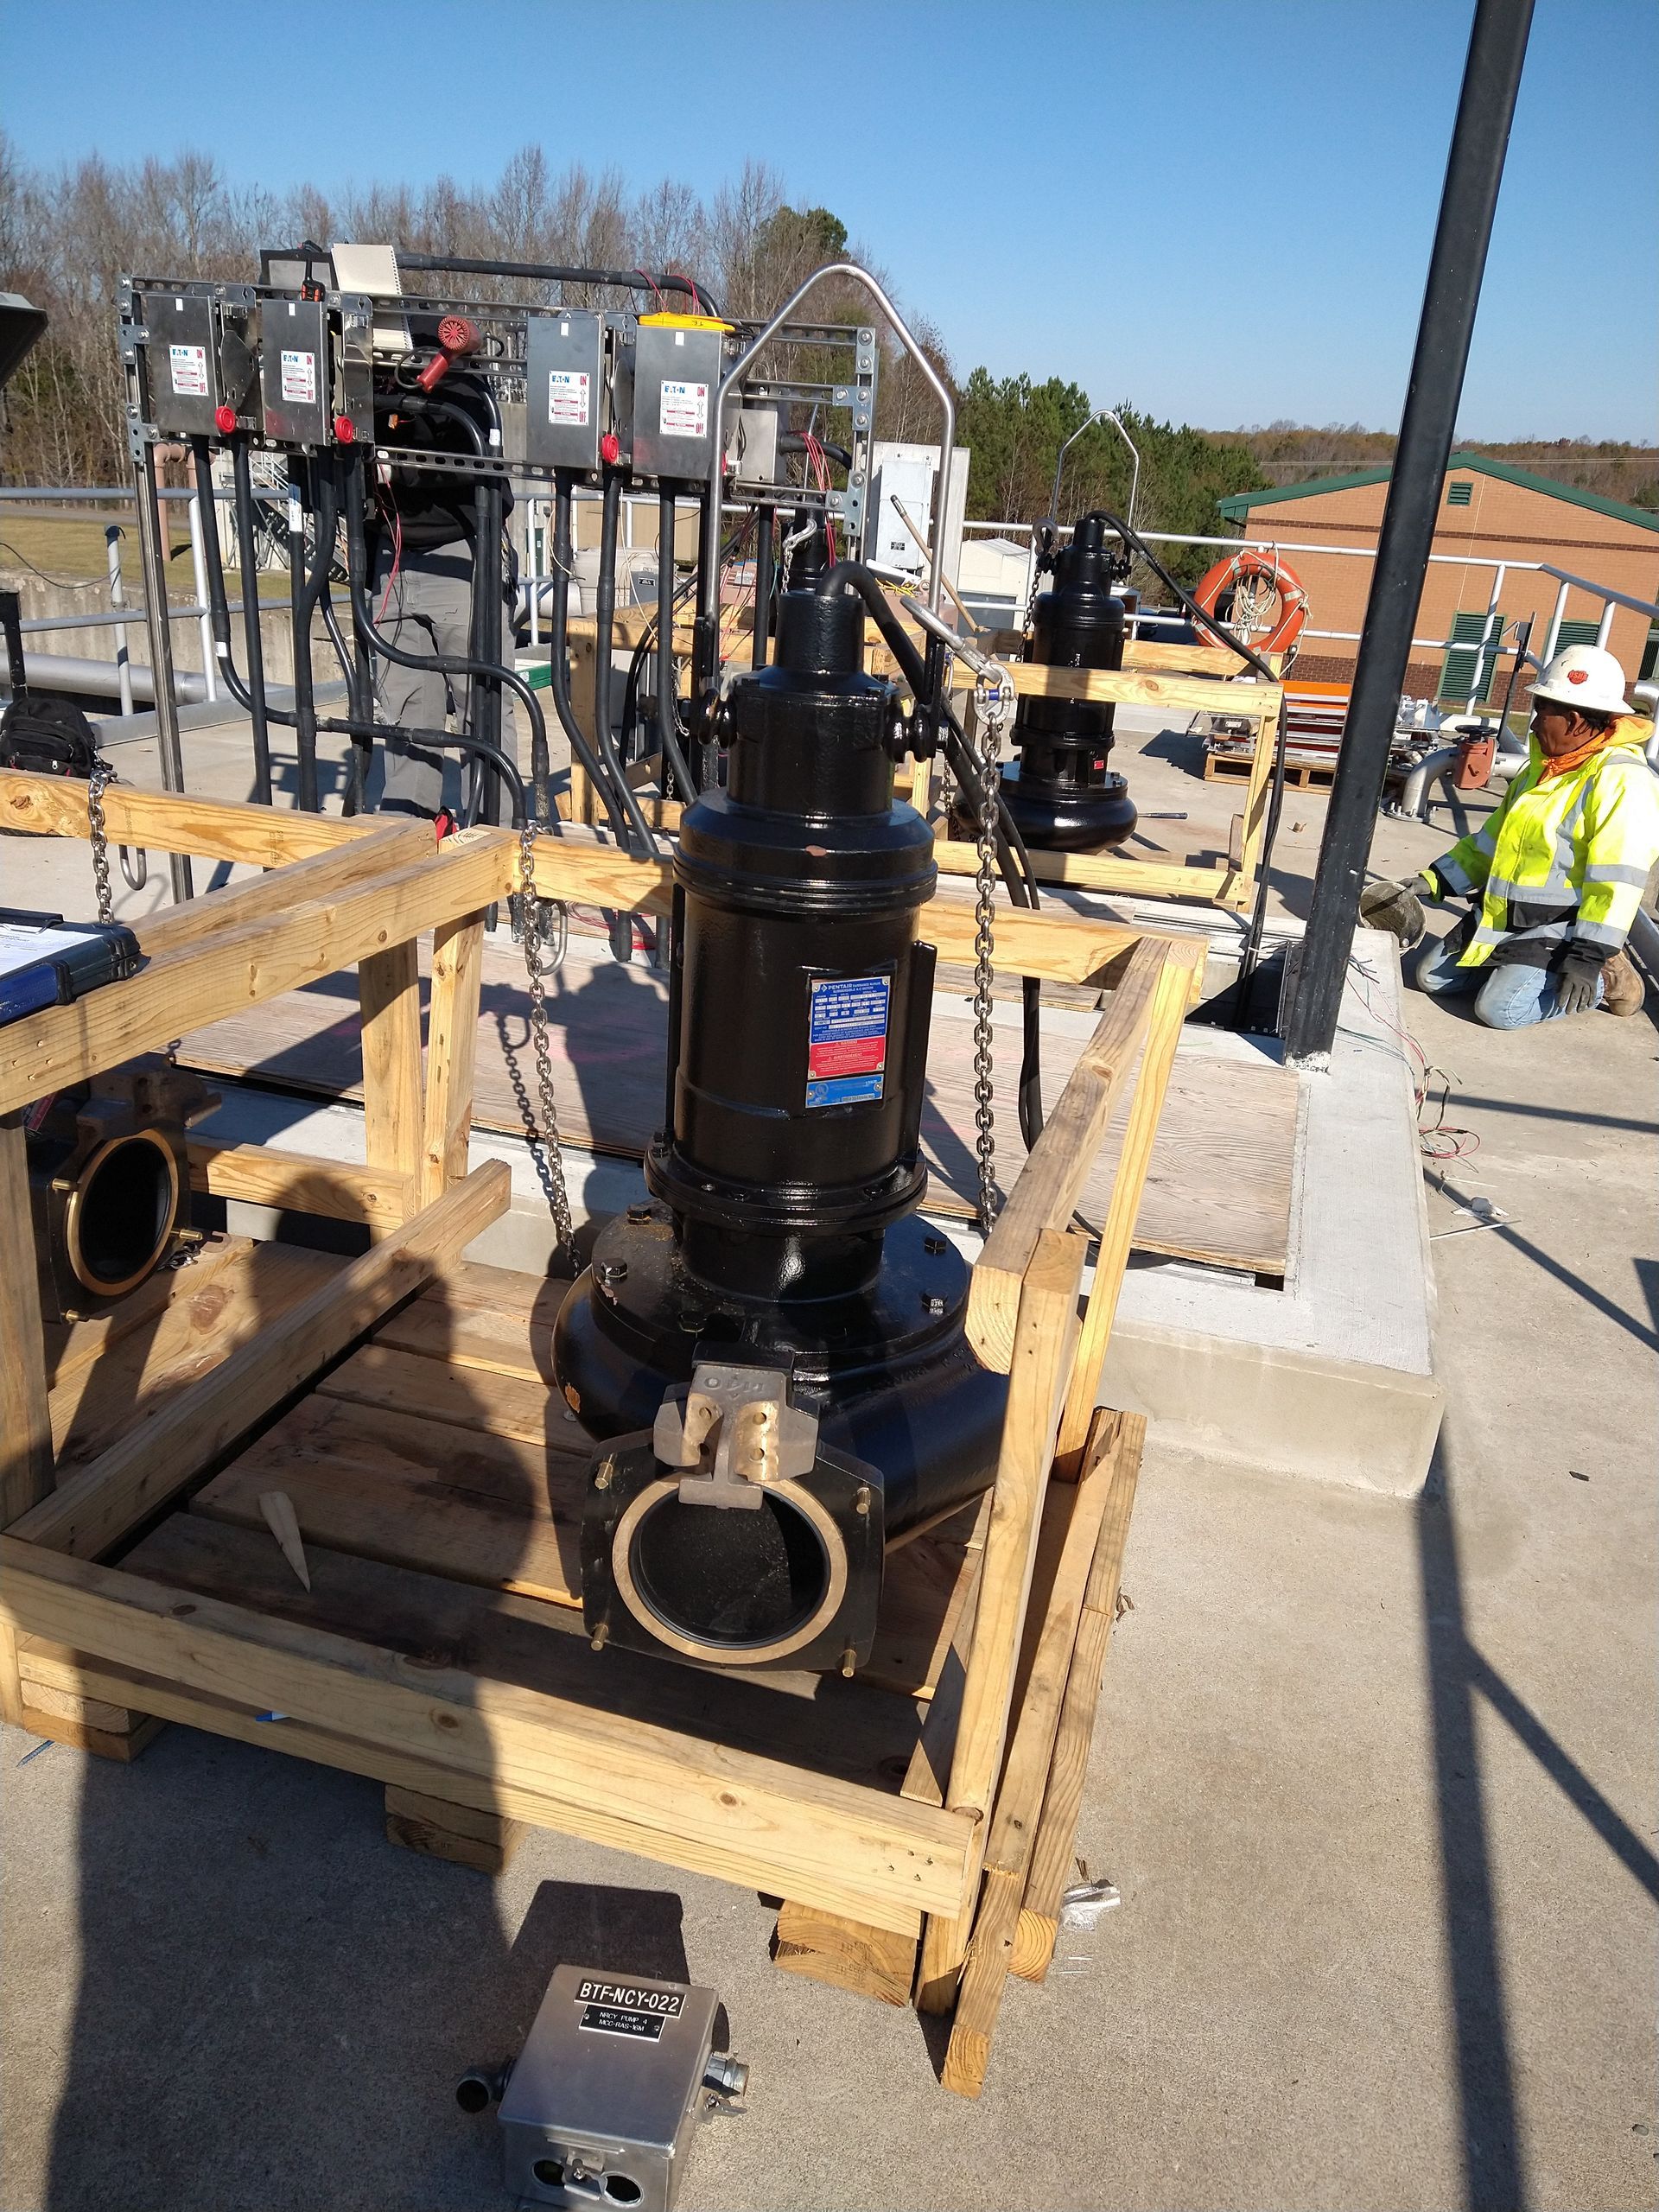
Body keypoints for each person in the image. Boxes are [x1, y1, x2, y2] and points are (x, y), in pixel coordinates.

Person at [1362, 645, 1658, 1027]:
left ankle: (1607, 979)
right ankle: (1516, 970)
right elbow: (1490, 843)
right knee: (1430, 978)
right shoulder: (1540, 770)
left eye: (1542, 713)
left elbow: (1616, 883)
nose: (1533, 726)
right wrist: (1435, 880)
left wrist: (1588, 958)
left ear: (1573, 720)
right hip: (1504, 916)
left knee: (1499, 1011)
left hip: (1560, 925)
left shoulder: (1623, 781)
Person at [365, 333, 517, 820]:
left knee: (482, 712)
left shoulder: (449, 367)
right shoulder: (348, 370)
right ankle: (407, 838)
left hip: (461, 551)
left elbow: (470, 457)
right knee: (406, 714)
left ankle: (495, 845)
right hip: (391, 557)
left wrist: (396, 467)